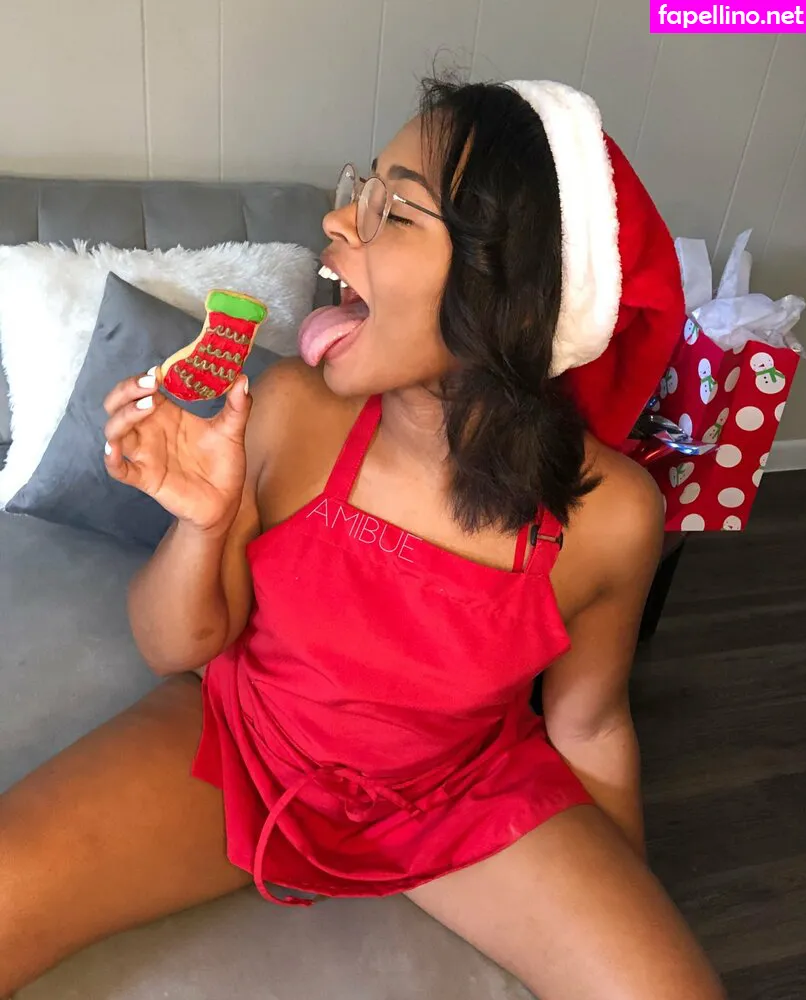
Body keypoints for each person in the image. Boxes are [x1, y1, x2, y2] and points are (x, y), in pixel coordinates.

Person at [0, 77, 726, 998]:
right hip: (244, 746)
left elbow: (588, 723)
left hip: (460, 796)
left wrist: (623, 900)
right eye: (362, 188)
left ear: (509, 293)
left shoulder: (613, 515)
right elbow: (171, 646)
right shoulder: (289, 411)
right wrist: (201, 522)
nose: (337, 220)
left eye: (394, 209)